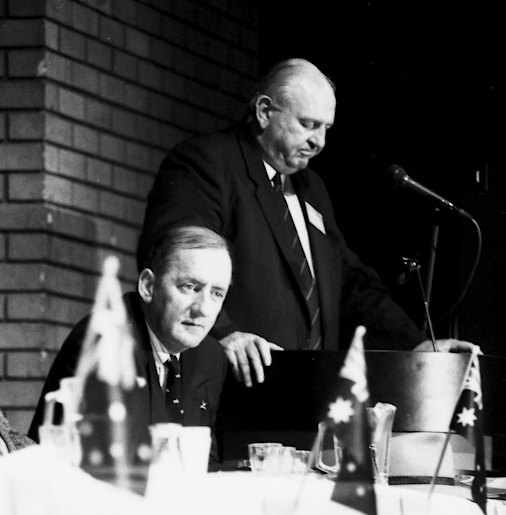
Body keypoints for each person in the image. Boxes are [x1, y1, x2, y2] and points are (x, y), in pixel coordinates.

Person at [139, 58, 476, 388]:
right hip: (234, 386)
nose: (320, 142)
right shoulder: (209, 162)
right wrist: (225, 333)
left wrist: (417, 346)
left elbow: (350, 285)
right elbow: (173, 256)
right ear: (264, 112)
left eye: (326, 129)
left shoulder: (311, 188)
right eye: (308, 124)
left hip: (306, 391)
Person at [28, 224, 232, 461]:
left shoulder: (211, 357)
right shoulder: (105, 343)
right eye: (190, 287)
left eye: (217, 293)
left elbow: (207, 464)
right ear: (148, 286)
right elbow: (96, 465)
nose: (203, 309)